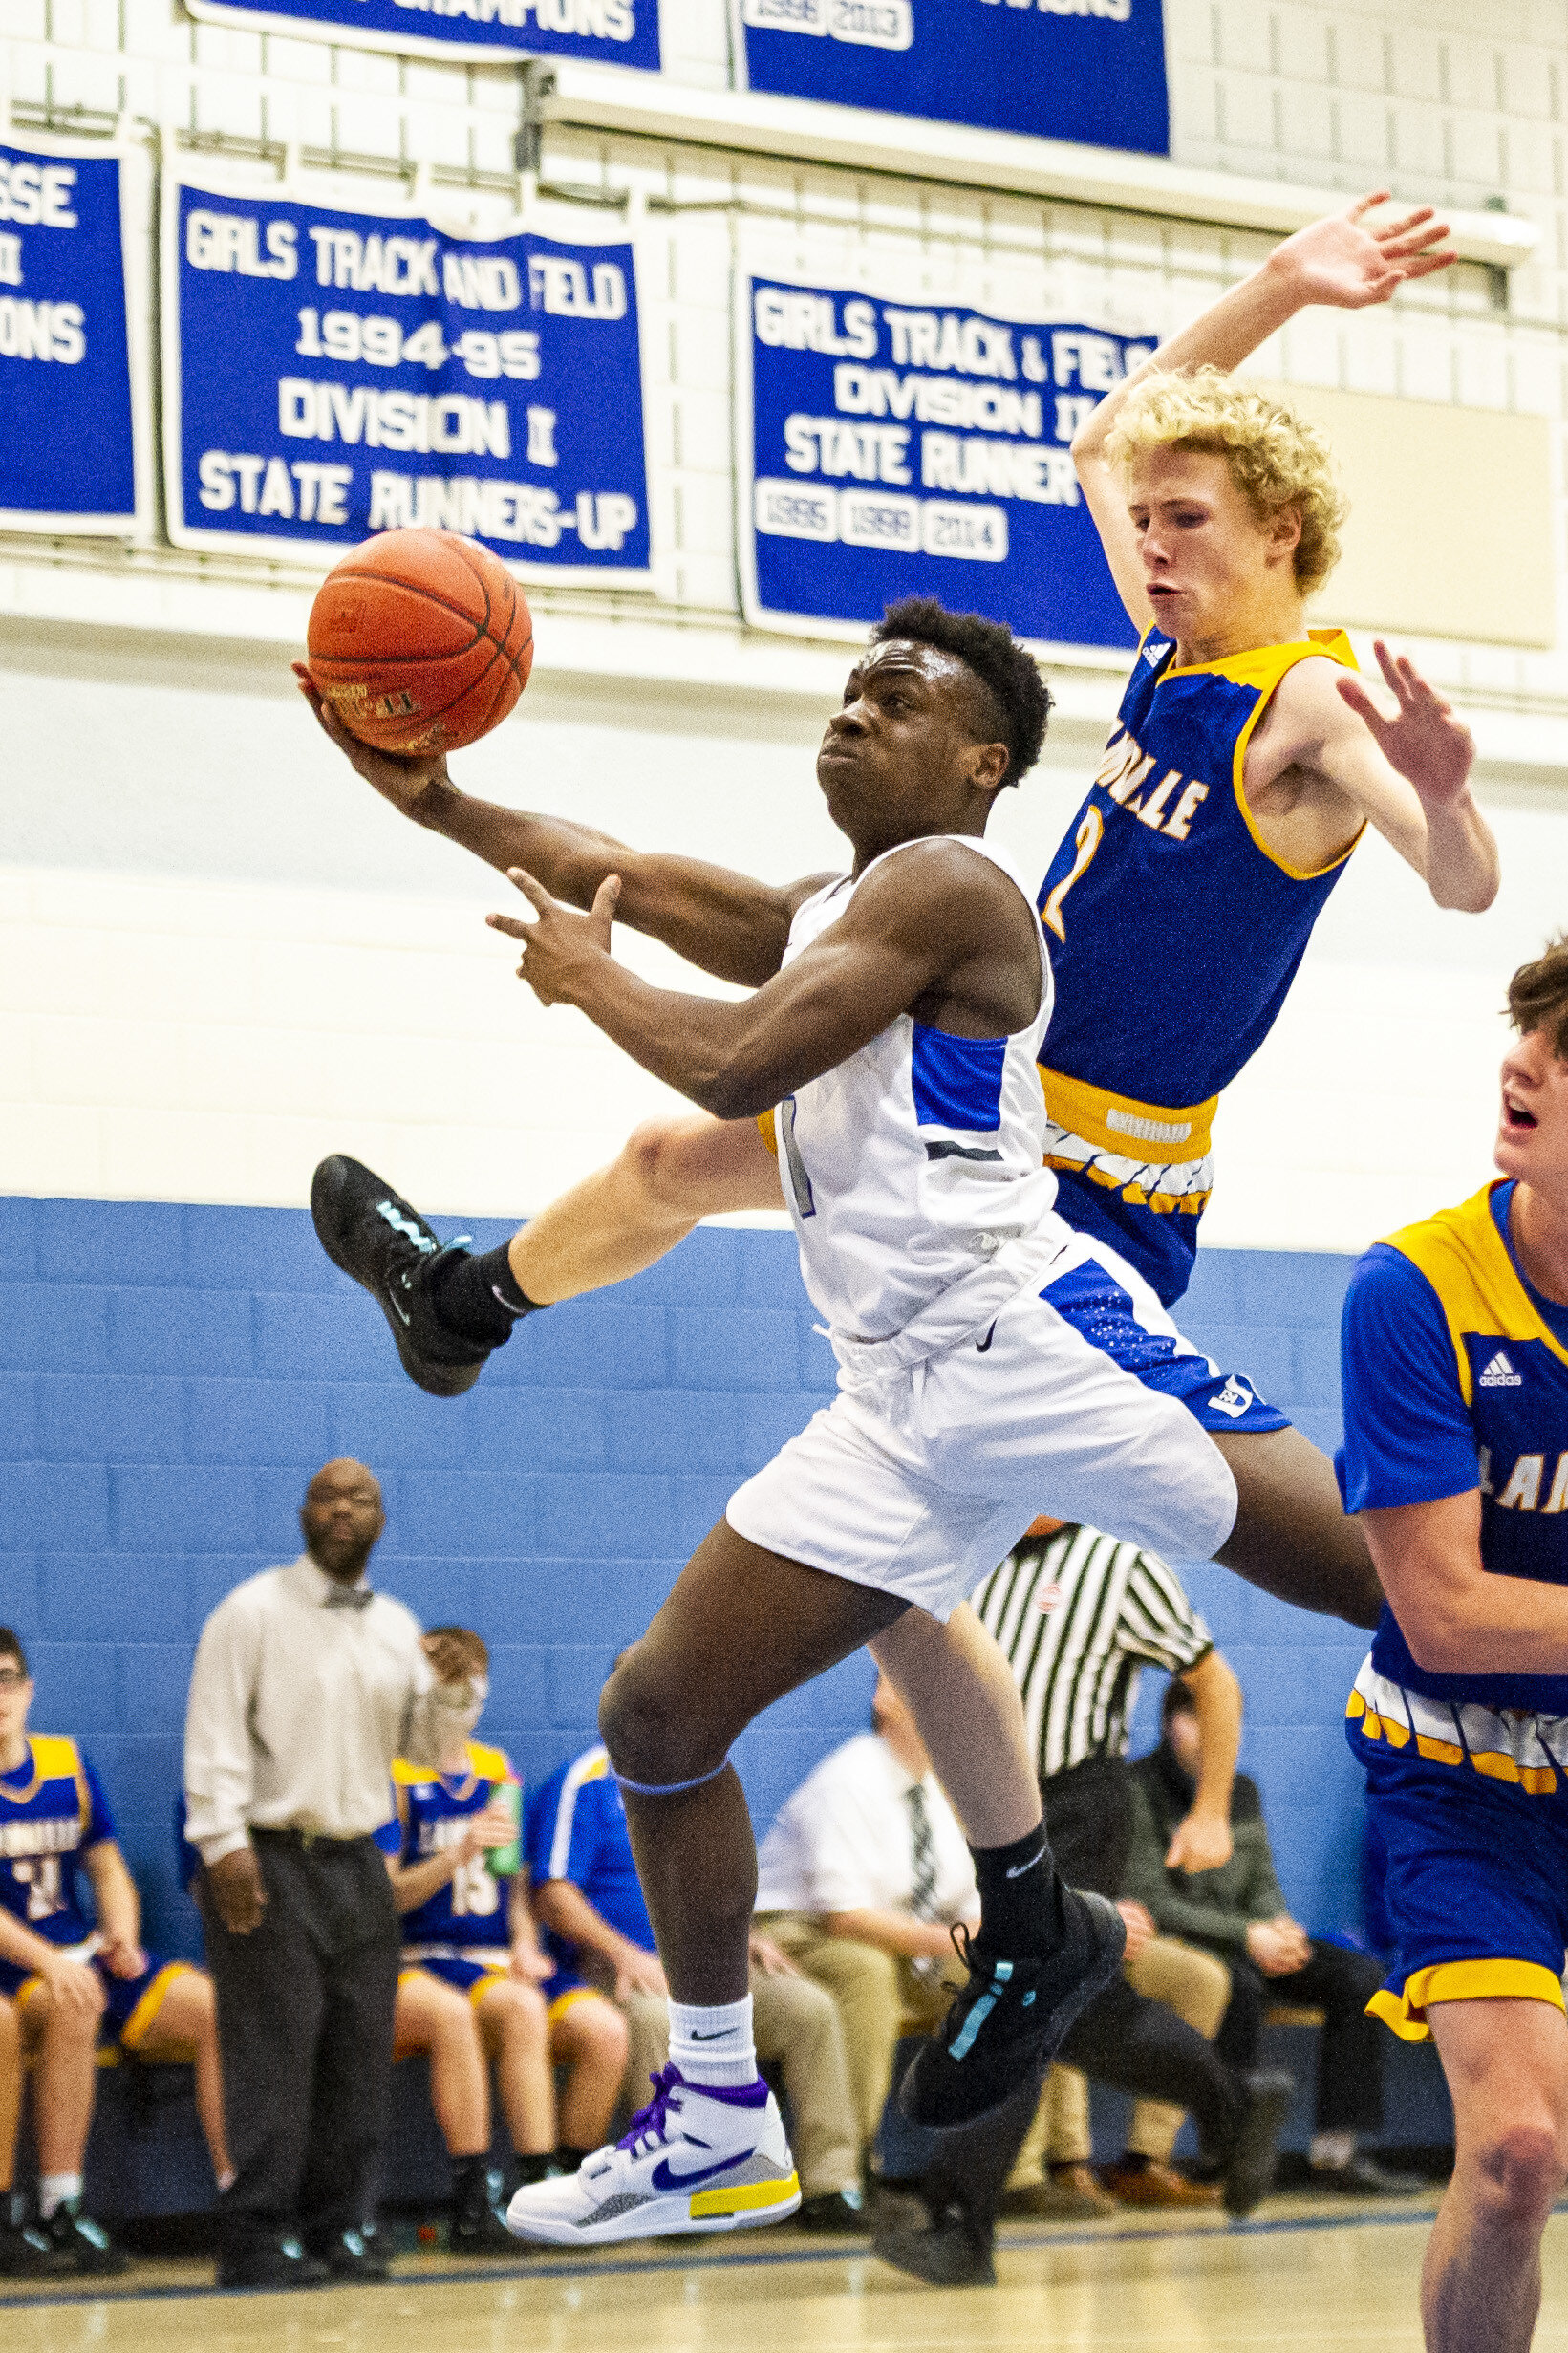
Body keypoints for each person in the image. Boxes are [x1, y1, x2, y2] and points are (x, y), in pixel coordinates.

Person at [297, 188, 1490, 1655]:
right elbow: (1107, 439)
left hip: (1093, 1172)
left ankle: (462, 1303)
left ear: (1278, 533)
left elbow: (1458, 878)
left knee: (721, 1168)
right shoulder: (1174, 657)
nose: (1150, 542)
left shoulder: (1310, 692)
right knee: (686, 1163)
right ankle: (461, 1303)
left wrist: (1449, 801)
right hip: (998, 1101)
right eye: (1149, 526)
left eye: (1186, 524)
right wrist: (1283, 283)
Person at [1339, 938, 1568, 2353]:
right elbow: (1446, 1606)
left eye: (1563, 1058)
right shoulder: (1413, 1287)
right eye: (1527, 1037)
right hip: (1460, 1779)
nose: (1522, 1065)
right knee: (1516, 2154)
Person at [183, 1459, 484, 2289]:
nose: (344, 1508)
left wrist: (458, 1689)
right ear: (303, 1513)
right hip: (267, 1857)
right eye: (329, 1496)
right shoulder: (249, 1614)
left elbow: (425, 1753)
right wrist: (222, 1847)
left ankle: (337, 2228)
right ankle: (253, 2236)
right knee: (273, 2055)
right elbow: (212, 1739)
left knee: (357, 2051)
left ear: (381, 1518)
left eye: (362, 1498)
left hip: (359, 1865)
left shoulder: (395, 1626)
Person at [974, 1515, 1242, 2209]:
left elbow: (1215, 1684)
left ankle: (958, 2208)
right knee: (1076, 2010)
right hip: (1000, 1810)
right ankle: (1229, 2108)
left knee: (1026, 1995)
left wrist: (1210, 1810)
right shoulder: (976, 1553)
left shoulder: (1119, 1562)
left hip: (1078, 1805)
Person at [526, 1734, 866, 2236]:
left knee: (808, 2009)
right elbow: (554, 1894)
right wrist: (627, 1954)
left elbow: (720, 1882)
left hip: (703, 1958)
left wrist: (745, 1933)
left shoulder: (697, 1786)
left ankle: (829, 2184)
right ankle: (669, 2188)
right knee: (654, 2017)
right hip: (618, 1961)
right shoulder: (584, 1782)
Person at [377, 1625, 623, 2255]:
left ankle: (568, 2181)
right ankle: (508, 2190)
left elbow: (511, 1880)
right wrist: (453, 1852)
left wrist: (523, 1940)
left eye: (467, 1694)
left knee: (605, 2031)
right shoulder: (395, 1778)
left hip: (492, 1956)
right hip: (424, 1955)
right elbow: (385, 1897)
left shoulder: (497, 1771)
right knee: (516, 2010)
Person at [0, 1627, 230, 2277]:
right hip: (20, 1966)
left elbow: (106, 1867)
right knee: (72, 2002)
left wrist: (122, 1929)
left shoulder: (66, 1764)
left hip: (79, 1950)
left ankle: (243, 2202)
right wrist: (49, 1963)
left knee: (216, 2011)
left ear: (28, 1689)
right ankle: (56, 2205)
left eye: (6, 1678)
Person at [1128, 1676, 1412, 2197]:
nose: (1210, 1735)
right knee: (1237, 1985)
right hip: (1184, 1945)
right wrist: (1248, 1935)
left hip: (1251, 1940)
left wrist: (1281, 1929)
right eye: (1196, 1721)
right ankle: (1228, 2152)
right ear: (1171, 1726)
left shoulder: (1242, 1791)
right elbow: (1151, 1899)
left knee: (1359, 1976)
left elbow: (1262, 1883)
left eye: (1223, 1724)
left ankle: (1336, 2153)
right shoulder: (1139, 1788)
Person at [753, 1674, 986, 2161]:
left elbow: (967, 1896)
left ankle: (1002, 2167)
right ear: (885, 1700)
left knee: (1004, 1978)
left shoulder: (941, 1788)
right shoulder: (849, 1777)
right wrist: (948, 1940)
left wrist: (988, 1936)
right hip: (796, 1931)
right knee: (865, 1970)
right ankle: (851, 2162)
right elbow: (844, 1917)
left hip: (906, 1932)